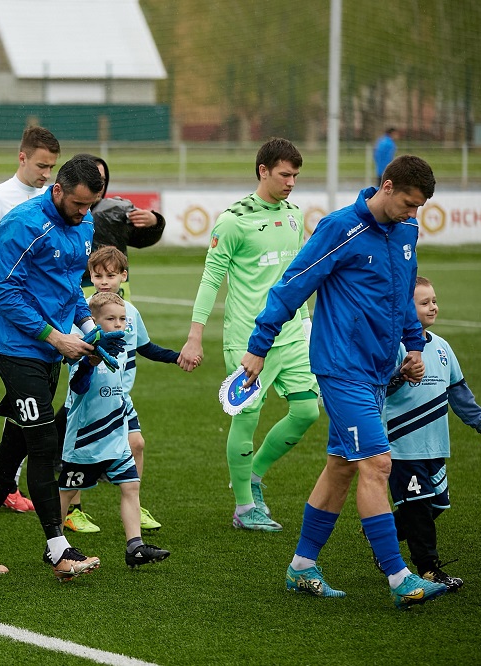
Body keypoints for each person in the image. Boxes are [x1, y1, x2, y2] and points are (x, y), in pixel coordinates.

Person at [242, 154, 450, 609]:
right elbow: (291, 285)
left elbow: (404, 290)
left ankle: (301, 566)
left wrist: (413, 343)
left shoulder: (407, 232)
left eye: (419, 208)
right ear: (387, 186)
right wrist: (259, 346)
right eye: (408, 204)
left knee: (341, 466)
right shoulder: (341, 228)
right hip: (340, 368)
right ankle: (399, 578)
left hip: (379, 369)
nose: (413, 214)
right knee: (377, 464)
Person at [0, 154, 106, 580]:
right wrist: (55, 337)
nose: (84, 214)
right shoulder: (23, 223)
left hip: (52, 351)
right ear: (57, 190)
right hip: (17, 349)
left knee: (15, 446)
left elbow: (70, 286)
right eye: (78, 204)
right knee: (43, 446)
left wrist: (90, 327)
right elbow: (3, 294)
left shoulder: (85, 223)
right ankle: (59, 551)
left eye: (90, 206)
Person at [177, 138, 319, 532]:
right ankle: (243, 507)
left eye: (295, 175)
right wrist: (195, 335)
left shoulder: (293, 214)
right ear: (263, 171)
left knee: (307, 410)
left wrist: (308, 322)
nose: (292, 182)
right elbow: (211, 278)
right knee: (246, 418)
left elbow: (300, 274)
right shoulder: (232, 220)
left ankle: (251, 475)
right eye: (285, 175)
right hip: (247, 339)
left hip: (292, 334)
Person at [0, 125, 61, 513]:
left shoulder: (52, 199)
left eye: (52, 167)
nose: (46, 174)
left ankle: (9, 484)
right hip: (10, 319)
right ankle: (8, 489)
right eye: (41, 165)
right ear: (22, 157)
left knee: (26, 412)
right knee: (30, 414)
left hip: (48, 321)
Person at [383, 275, 481, 590]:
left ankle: (384, 532)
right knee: (418, 510)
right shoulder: (395, 347)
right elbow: (378, 392)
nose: (433, 307)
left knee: (437, 505)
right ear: (406, 308)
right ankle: (429, 570)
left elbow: (458, 391)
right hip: (403, 447)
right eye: (424, 302)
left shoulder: (443, 347)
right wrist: (400, 376)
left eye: (434, 301)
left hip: (436, 445)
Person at [61, 246, 181, 534]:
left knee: (137, 444)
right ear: (89, 276)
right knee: (80, 456)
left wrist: (177, 357)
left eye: (111, 275)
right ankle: (73, 511)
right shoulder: (85, 312)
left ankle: (134, 505)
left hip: (119, 396)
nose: (104, 281)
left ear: (123, 276)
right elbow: (72, 357)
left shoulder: (130, 312)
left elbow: (145, 346)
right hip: (87, 399)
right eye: (98, 275)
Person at [60, 292, 170, 568]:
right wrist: (92, 360)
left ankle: (135, 547)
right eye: (111, 319)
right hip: (86, 441)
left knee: (131, 486)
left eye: (122, 319)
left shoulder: (119, 352)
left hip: (116, 436)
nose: (119, 324)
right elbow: (77, 387)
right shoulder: (82, 350)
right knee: (66, 493)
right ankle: (55, 543)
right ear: (93, 322)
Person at [79, 155, 165, 300]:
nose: (100, 185)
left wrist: (155, 223)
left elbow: (142, 240)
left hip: (117, 300)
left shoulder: (113, 211)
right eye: (94, 179)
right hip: (77, 298)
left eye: (103, 180)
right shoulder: (60, 214)